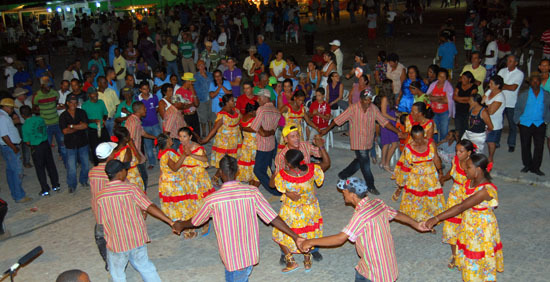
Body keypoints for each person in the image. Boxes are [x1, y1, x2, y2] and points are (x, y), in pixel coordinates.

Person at [172, 155, 303, 282]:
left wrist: (181, 225)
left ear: (221, 172)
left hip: (231, 256)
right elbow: (273, 218)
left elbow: (196, 221)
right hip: (248, 254)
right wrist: (295, 236)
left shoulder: (212, 199)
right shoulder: (252, 192)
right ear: (237, 171)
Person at [298, 177, 428, 282]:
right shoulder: (378, 203)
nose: (343, 192)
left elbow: (340, 239)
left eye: (345, 191)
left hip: (375, 273)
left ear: (353, 195)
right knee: (360, 270)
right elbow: (397, 214)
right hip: (387, 267)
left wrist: (310, 242)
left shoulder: (360, 215)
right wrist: (416, 224)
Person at [423, 153, 503, 282]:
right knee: (470, 254)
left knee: (476, 256)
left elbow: (461, 207)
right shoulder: (470, 182)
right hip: (469, 223)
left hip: (480, 228)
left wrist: (437, 218)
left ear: (478, 170)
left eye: (468, 167)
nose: (464, 169)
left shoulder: (485, 190)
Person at [97, 159, 176, 282]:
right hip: (136, 239)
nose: (126, 172)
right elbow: (149, 206)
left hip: (117, 243)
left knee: (117, 274)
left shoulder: (101, 195)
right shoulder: (131, 189)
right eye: (125, 170)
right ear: (119, 173)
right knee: (145, 267)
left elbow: (102, 220)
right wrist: (170, 222)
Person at [322, 89, 403, 195]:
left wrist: (398, 132)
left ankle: (343, 174)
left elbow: (384, 122)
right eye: (366, 100)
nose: (368, 102)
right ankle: (371, 185)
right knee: (365, 164)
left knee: (360, 160)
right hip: (357, 141)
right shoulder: (353, 109)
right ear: (361, 99)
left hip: (368, 141)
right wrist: (326, 130)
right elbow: (337, 120)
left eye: (370, 99)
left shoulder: (373, 109)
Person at [270, 149, 329, 272]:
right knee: (308, 234)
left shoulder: (282, 174)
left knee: (280, 233)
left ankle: (290, 261)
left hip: (292, 211)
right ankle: (307, 260)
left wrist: (276, 175)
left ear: (289, 163)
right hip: (310, 210)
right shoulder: (313, 169)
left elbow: (272, 185)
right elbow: (326, 164)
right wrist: (321, 148)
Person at [393, 125, 445, 221]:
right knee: (417, 200)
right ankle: (419, 220)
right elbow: (406, 166)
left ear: (424, 135)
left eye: (421, 138)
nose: (420, 142)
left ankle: (430, 220)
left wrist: (440, 172)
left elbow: (436, 158)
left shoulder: (431, 143)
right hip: (415, 179)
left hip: (431, 176)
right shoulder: (408, 148)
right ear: (412, 138)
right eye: (417, 139)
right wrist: (401, 184)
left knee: (430, 199)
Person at [438, 139, 474, 269]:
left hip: (468, 198)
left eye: (461, 151)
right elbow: (451, 172)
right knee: (452, 227)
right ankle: (454, 255)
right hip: (455, 196)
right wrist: (443, 178)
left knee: (467, 227)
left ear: (469, 152)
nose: (457, 153)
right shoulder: (456, 160)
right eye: (456, 150)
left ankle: (469, 254)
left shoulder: (473, 166)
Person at [176, 127, 215, 237]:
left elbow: (205, 159)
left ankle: (205, 223)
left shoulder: (197, 147)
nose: (182, 139)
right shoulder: (180, 147)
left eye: (184, 136)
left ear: (190, 137)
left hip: (198, 178)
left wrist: (190, 154)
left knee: (201, 201)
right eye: (180, 136)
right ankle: (192, 224)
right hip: (187, 178)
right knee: (190, 203)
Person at [514, 72, 550, 176]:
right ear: (530, 83)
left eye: (537, 81)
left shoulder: (546, 95)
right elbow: (517, 108)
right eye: (533, 81)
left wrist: (546, 120)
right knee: (525, 145)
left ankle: (536, 167)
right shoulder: (524, 95)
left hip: (540, 123)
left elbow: (548, 108)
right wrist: (518, 121)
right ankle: (527, 165)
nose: (535, 82)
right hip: (525, 123)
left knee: (539, 146)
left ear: (540, 82)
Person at [89, 142, 117, 272]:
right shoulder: (112, 172)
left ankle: (108, 261)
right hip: (112, 212)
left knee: (101, 237)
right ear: (110, 155)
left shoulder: (92, 172)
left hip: (99, 213)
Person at [0, 98, 31, 203]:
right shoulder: (3, 118)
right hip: (10, 147)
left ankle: (15, 193)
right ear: (7, 107)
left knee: (10, 171)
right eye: (12, 108)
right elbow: (4, 135)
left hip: (7, 147)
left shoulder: (3, 116)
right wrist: (14, 148)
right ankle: (19, 195)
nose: (12, 110)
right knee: (17, 172)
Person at [251, 89, 281, 195]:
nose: (258, 100)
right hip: (271, 143)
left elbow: (255, 127)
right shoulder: (276, 111)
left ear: (265, 97)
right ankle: (279, 186)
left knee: (258, 170)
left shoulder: (262, 109)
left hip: (263, 145)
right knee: (268, 166)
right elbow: (273, 130)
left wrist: (263, 131)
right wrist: (268, 132)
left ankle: (274, 190)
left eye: (259, 98)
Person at [33, 76, 67, 167]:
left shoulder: (54, 93)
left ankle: (66, 162)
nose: (49, 87)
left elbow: (55, 103)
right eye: (46, 85)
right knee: (46, 146)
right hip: (46, 124)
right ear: (41, 85)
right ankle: (49, 164)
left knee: (63, 144)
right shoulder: (37, 96)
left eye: (49, 85)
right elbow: (34, 109)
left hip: (56, 122)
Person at [201, 94, 241, 169]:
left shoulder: (236, 110)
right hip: (225, 141)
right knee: (225, 161)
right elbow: (215, 129)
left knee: (232, 160)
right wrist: (206, 139)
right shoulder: (222, 115)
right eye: (232, 100)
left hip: (234, 140)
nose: (234, 102)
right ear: (227, 103)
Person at [59, 95, 90, 193]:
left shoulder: (81, 112)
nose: (73, 104)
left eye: (75, 102)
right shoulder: (63, 116)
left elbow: (85, 125)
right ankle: (72, 185)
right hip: (70, 144)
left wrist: (72, 126)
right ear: (67, 103)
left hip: (83, 142)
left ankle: (83, 180)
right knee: (71, 167)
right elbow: (65, 131)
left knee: (85, 164)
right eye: (71, 102)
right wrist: (78, 126)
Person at [125, 101, 157, 189]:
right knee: (142, 176)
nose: (146, 110)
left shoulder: (136, 120)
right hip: (134, 153)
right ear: (138, 111)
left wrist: (156, 137)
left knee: (141, 176)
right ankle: (142, 196)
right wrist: (137, 154)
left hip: (136, 151)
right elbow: (130, 139)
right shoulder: (133, 122)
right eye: (144, 108)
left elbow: (143, 133)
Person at [497, 55, 524, 153]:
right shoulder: (502, 71)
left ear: (516, 63)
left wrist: (502, 86)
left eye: (511, 61)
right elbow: (497, 84)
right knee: (498, 122)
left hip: (511, 103)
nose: (508, 62)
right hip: (500, 101)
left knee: (512, 124)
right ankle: (496, 142)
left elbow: (513, 88)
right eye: (508, 60)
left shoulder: (519, 74)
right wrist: (503, 86)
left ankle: (511, 143)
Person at [136, 82, 161, 169]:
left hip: (155, 124)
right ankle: (152, 162)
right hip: (145, 125)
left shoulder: (154, 97)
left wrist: (153, 114)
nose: (146, 91)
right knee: (148, 145)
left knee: (159, 142)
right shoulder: (138, 99)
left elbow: (157, 108)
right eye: (144, 89)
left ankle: (161, 159)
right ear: (140, 90)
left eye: (147, 89)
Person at [82, 87, 109, 166]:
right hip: (93, 130)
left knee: (107, 145)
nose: (96, 96)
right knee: (95, 149)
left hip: (102, 128)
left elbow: (105, 113)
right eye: (93, 94)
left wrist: (104, 119)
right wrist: (93, 120)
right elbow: (84, 119)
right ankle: (97, 165)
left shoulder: (101, 102)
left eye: (96, 94)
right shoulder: (85, 105)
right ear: (89, 95)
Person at [112, 126, 144, 191]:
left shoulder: (114, 150)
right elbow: (139, 159)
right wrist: (133, 146)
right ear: (126, 138)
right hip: (132, 177)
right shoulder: (127, 150)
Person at [427, 69, 455, 142]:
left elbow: (447, 101)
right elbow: (428, 97)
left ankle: (442, 146)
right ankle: (435, 145)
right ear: (437, 76)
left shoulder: (449, 87)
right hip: (433, 112)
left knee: (444, 131)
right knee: (434, 131)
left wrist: (434, 98)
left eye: (443, 77)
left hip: (444, 113)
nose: (441, 79)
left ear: (446, 78)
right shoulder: (433, 85)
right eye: (440, 76)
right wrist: (441, 98)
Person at [483, 75, 506, 163]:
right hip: (485, 120)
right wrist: (487, 106)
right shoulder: (489, 91)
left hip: (495, 123)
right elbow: (481, 101)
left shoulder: (500, 97)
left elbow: (491, 111)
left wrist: (485, 107)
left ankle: (490, 157)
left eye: (491, 83)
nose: (489, 85)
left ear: (497, 85)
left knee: (491, 142)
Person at [378, 80, 399, 173]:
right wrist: (394, 119)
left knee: (386, 144)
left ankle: (383, 162)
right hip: (387, 122)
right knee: (394, 144)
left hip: (390, 121)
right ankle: (387, 163)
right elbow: (383, 113)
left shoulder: (390, 97)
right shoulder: (385, 98)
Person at [238, 102, 260, 186]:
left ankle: (250, 184)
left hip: (245, 144)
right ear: (254, 110)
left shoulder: (243, 118)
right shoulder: (254, 119)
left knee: (248, 164)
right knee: (255, 165)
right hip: (254, 145)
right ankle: (253, 187)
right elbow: (257, 130)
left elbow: (241, 129)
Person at [453, 71, 478, 139]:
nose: (462, 80)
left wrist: (459, 99)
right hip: (458, 110)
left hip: (468, 111)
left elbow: (471, 99)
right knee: (458, 129)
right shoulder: (459, 84)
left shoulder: (474, 87)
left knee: (466, 129)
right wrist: (466, 100)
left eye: (464, 78)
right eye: (462, 78)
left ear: (469, 79)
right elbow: (454, 97)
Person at [176, 73, 200, 137]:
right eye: (191, 82)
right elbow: (178, 106)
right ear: (187, 81)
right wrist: (190, 105)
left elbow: (197, 104)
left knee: (197, 134)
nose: (192, 83)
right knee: (188, 135)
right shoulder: (178, 91)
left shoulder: (192, 90)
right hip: (186, 117)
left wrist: (193, 91)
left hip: (194, 115)